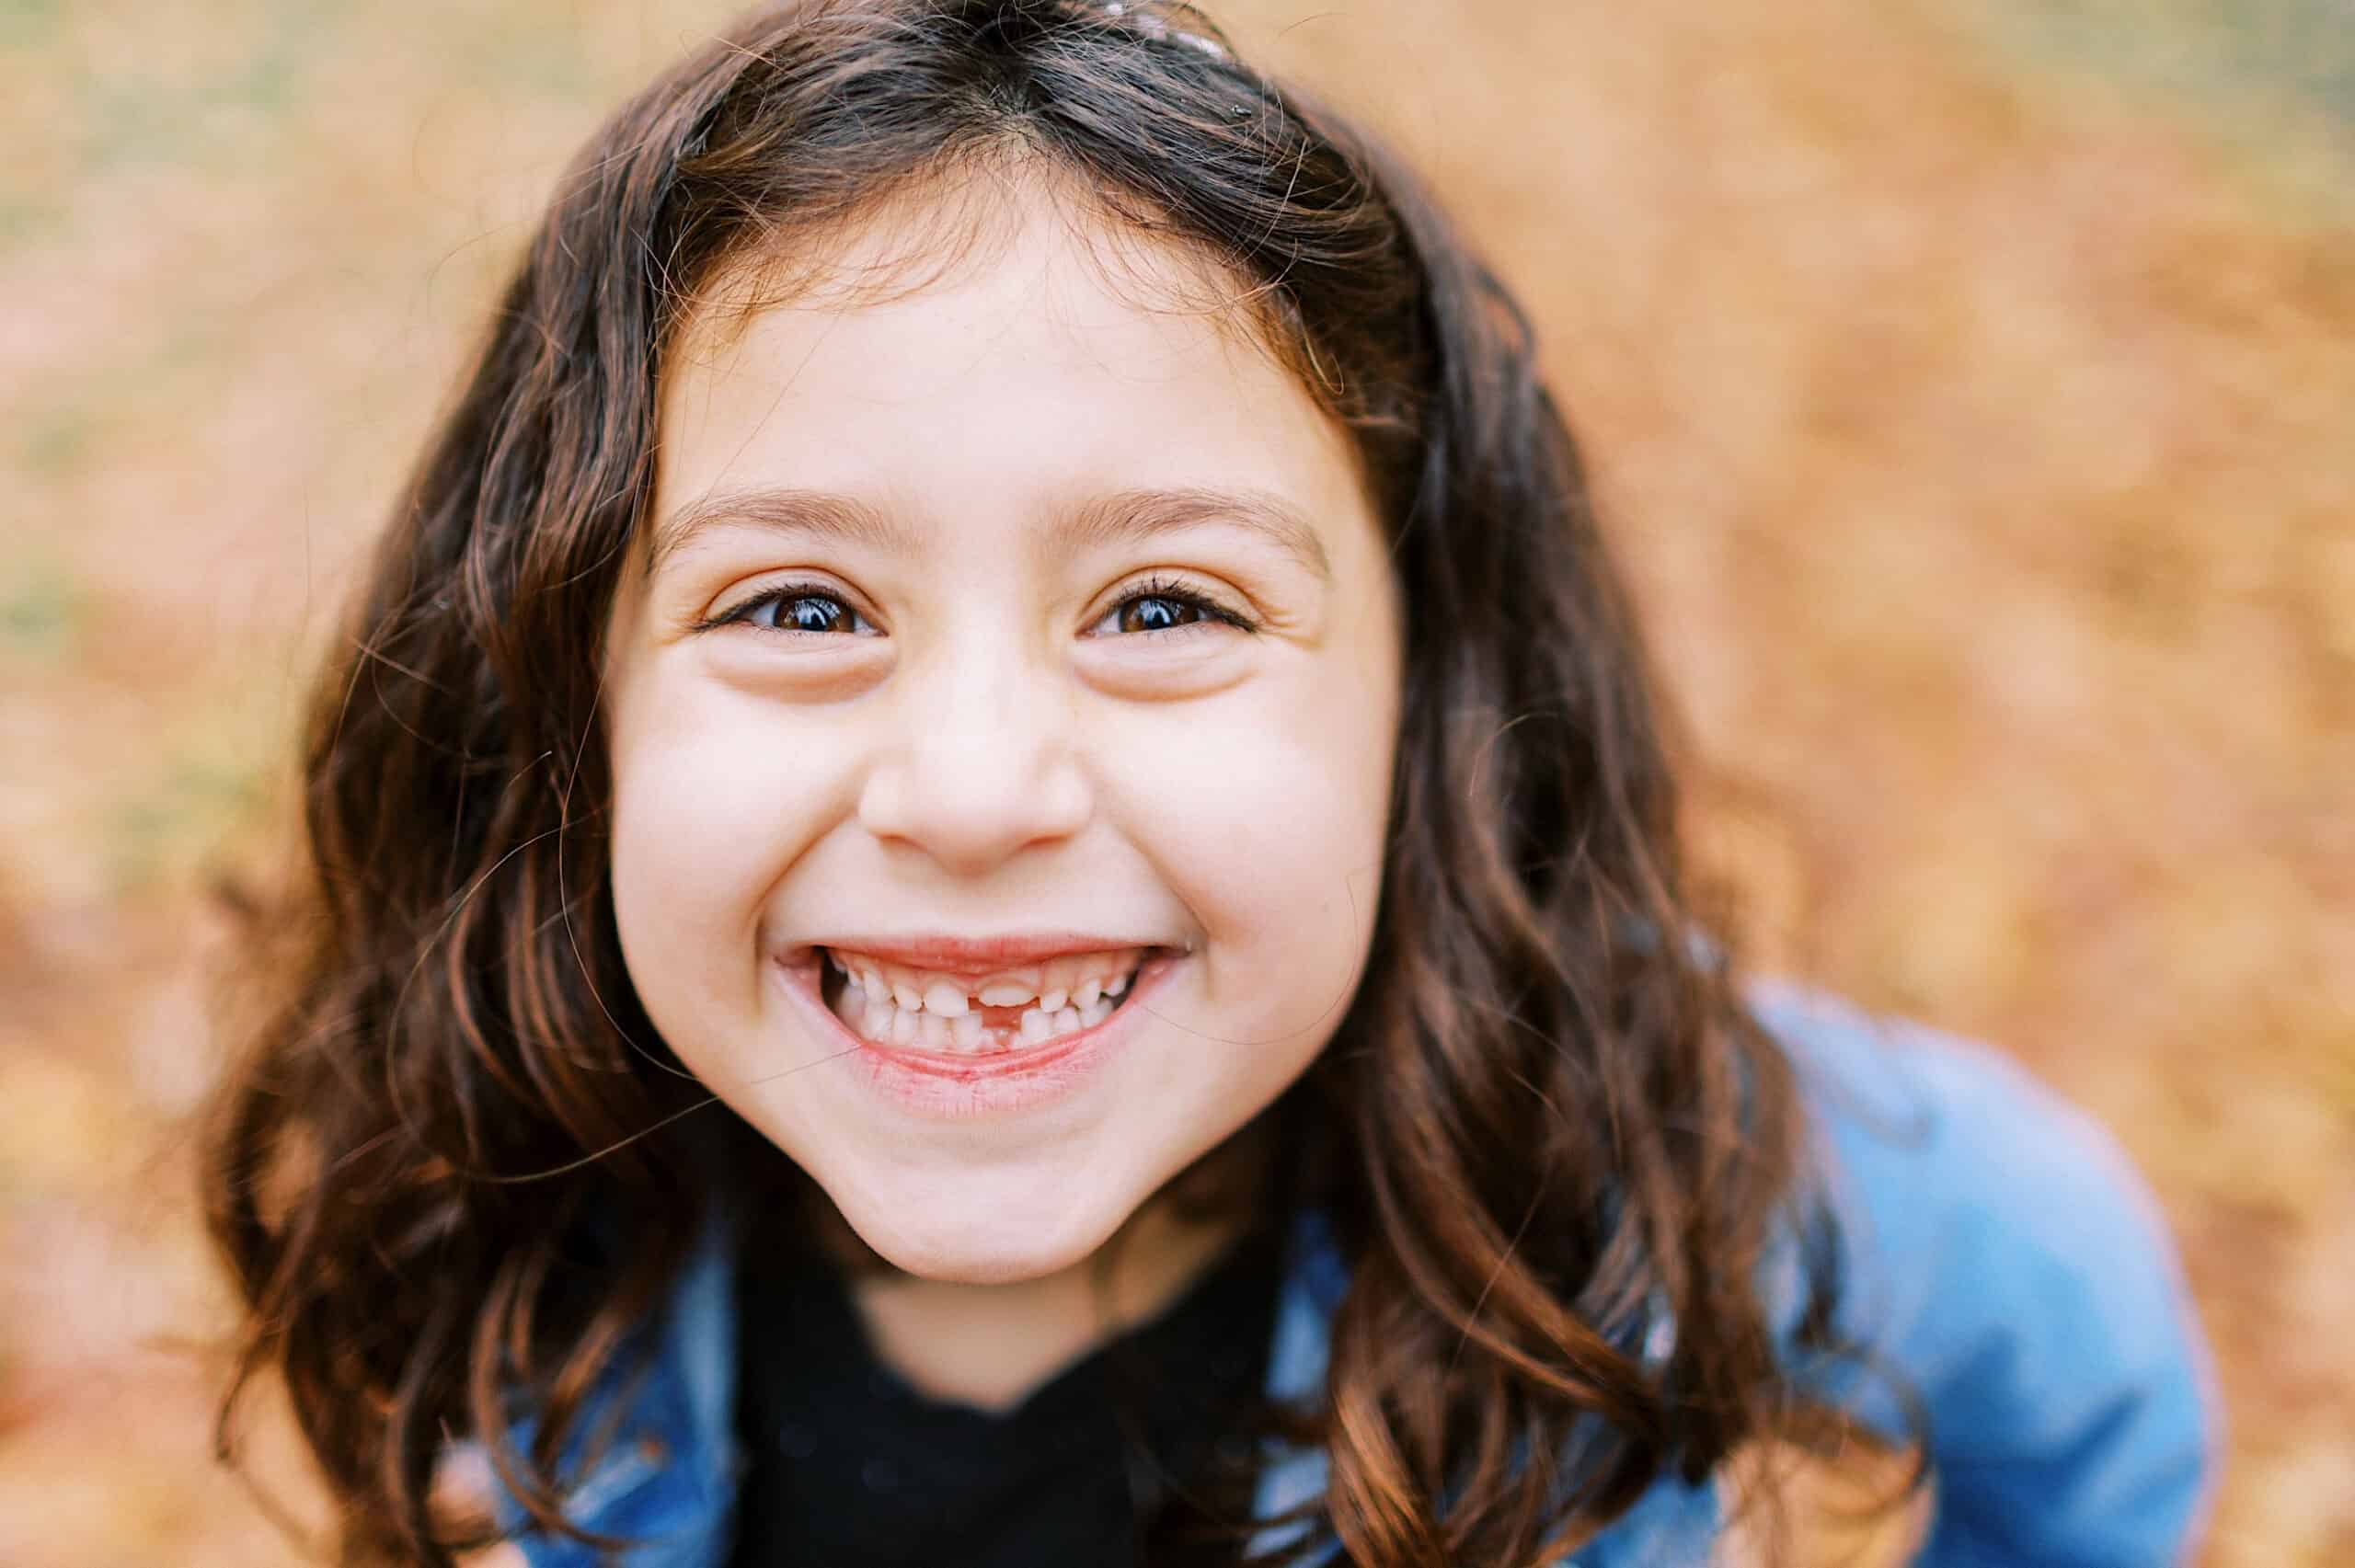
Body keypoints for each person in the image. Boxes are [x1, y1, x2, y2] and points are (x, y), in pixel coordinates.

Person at [197, 2, 2219, 1563]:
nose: (973, 787)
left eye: (1164, 608)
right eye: (800, 605)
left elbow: (2079, 1327)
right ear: (569, 703)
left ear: (1422, 704)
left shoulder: (1671, 1166)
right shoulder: (511, 1207)